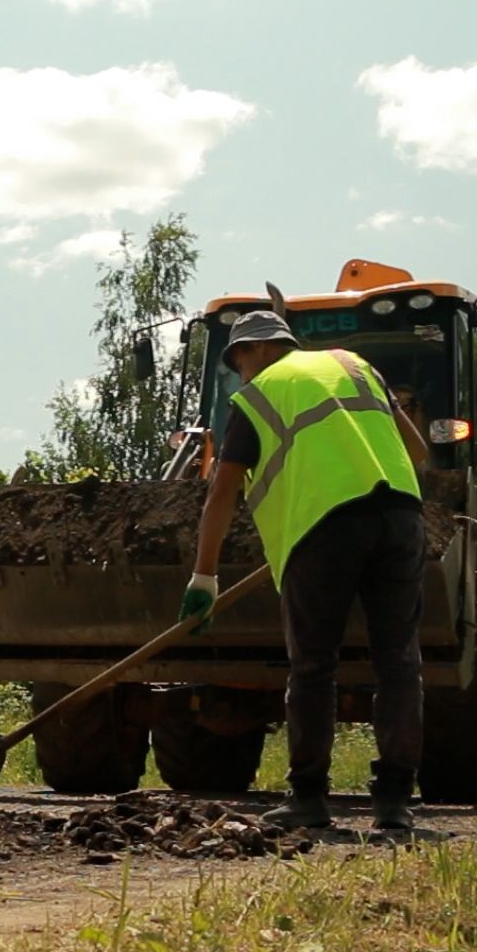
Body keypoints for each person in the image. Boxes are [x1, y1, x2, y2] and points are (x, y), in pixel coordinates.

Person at [180, 310, 431, 831]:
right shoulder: (355, 366)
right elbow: (418, 450)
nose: (240, 369)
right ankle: (394, 805)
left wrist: (204, 575)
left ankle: (309, 799)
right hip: (401, 517)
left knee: (314, 665)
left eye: (239, 357)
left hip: (322, 528)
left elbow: (222, 492)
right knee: (399, 663)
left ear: (260, 349)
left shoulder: (257, 396)